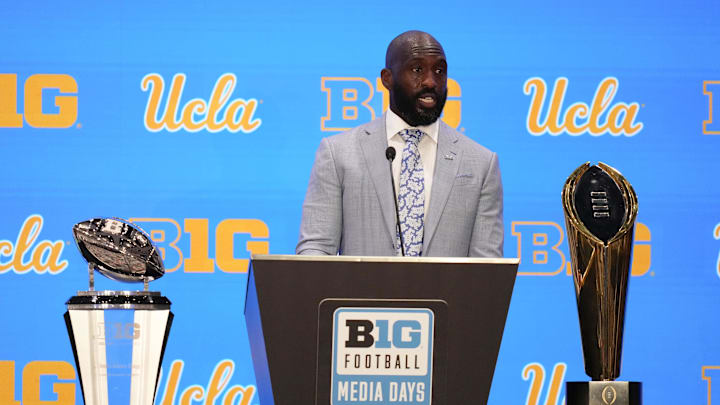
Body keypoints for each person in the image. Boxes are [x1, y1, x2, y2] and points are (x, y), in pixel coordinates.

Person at [296, 30, 503, 257]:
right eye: (417, 70)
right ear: (387, 78)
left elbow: (487, 267)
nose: (430, 81)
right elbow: (315, 250)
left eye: (439, 71)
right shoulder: (338, 154)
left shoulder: (481, 163)